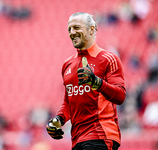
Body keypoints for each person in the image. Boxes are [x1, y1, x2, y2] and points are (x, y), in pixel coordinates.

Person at [46, 12, 126, 150]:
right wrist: (59, 120)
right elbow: (68, 102)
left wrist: (96, 83)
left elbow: (120, 96)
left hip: (101, 135)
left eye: (76, 27)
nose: (72, 32)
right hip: (77, 139)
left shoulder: (108, 58)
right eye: (69, 29)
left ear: (91, 29)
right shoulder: (67, 64)